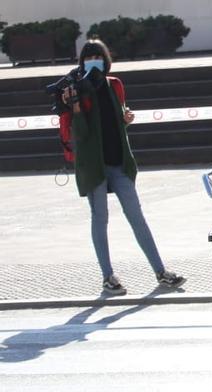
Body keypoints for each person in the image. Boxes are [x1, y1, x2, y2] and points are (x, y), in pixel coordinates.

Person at [60, 39, 185, 296]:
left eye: (98, 55)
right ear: (81, 61)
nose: (94, 60)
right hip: (94, 166)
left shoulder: (114, 85)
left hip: (118, 163)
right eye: (89, 56)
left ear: (106, 59)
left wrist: (125, 119)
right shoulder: (78, 89)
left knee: (137, 217)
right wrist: (74, 107)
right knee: (100, 219)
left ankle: (161, 271)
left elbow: (117, 125)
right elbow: (81, 135)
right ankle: (107, 277)